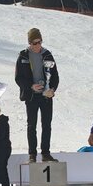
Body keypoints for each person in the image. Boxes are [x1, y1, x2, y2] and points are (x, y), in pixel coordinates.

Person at [15, 28, 59, 163]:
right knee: (31, 125)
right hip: (32, 96)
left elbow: (55, 76)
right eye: (34, 43)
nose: (37, 45)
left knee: (47, 124)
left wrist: (52, 89)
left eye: (39, 42)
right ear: (29, 43)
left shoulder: (47, 55)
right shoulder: (23, 56)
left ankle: (46, 153)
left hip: (46, 96)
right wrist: (30, 86)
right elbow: (18, 78)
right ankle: (32, 154)